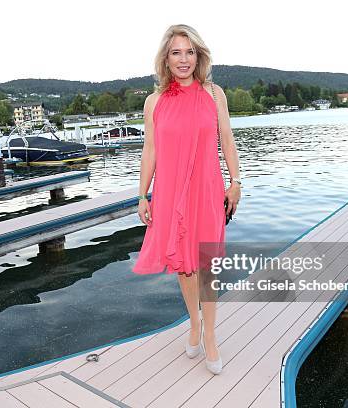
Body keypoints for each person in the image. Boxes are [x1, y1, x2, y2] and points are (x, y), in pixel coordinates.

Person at [132, 24, 241, 375]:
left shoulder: (213, 93)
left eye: (190, 52)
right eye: (177, 52)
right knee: (183, 263)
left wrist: (235, 181)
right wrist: (143, 194)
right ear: (166, 57)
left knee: (206, 264)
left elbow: (226, 138)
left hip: (207, 189)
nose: (184, 59)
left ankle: (210, 334)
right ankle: (193, 323)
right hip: (170, 191)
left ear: (199, 56)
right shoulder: (154, 102)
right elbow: (150, 149)